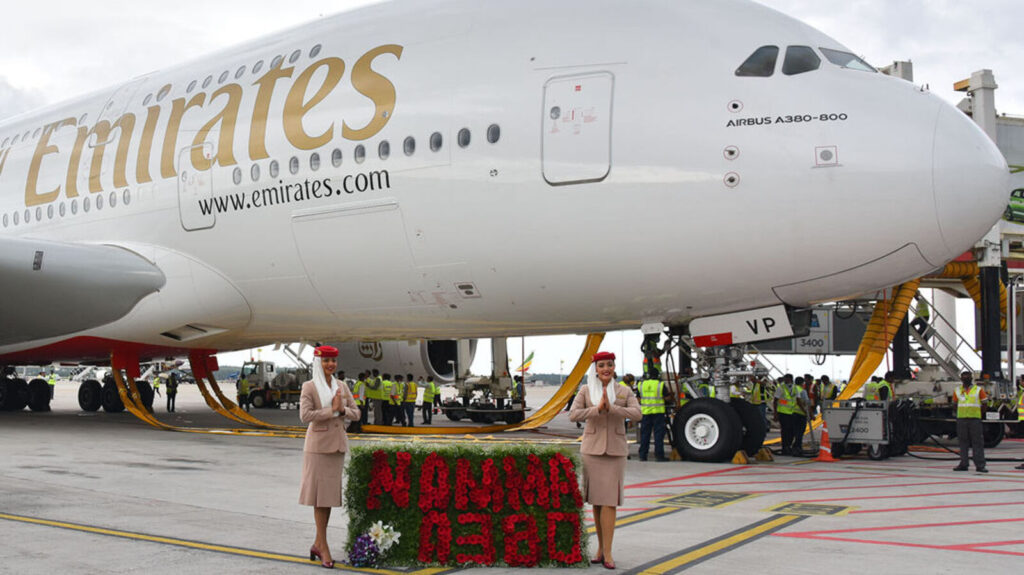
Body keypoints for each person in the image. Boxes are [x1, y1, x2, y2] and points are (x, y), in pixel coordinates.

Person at [569, 351, 641, 570]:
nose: (606, 369)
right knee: (597, 502)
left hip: (615, 452)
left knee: (609, 502)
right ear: (596, 369)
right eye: (601, 365)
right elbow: (573, 415)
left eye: (609, 365)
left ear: (614, 368)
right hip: (592, 451)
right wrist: (597, 409)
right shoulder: (586, 390)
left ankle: (608, 553)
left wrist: (614, 408)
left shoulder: (624, 390)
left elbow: (638, 414)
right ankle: (600, 549)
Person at [299, 345, 360, 568]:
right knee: (320, 499)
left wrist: (342, 411)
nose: (330, 364)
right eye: (325, 361)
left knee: (329, 499)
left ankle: (318, 542)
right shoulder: (310, 386)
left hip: (336, 448)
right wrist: (331, 410)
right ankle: (323, 547)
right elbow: (305, 416)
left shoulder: (341, 385)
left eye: (333, 360)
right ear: (318, 362)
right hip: (317, 448)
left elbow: (356, 412)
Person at [952, 371, 987, 473]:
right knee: (963, 442)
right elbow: (954, 404)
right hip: (962, 419)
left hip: (974, 419)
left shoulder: (978, 390)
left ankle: (980, 465)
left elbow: (984, 404)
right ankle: (964, 463)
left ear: (971, 378)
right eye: (964, 377)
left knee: (977, 443)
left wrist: (978, 413)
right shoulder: (957, 390)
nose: (965, 379)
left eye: (967, 377)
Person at [637, 368, 671, 462]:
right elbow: (667, 398)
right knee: (658, 435)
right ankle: (659, 456)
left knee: (645, 435)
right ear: (658, 375)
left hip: (646, 412)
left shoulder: (642, 384)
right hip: (658, 412)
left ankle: (643, 455)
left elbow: (638, 399)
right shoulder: (660, 385)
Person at [774, 374, 809, 456]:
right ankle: (785, 447)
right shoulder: (781, 388)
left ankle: (788, 446)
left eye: (786, 378)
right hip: (782, 413)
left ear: (790, 379)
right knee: (785, 431)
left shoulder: (795, 388)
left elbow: (798, 401)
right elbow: (775, 401)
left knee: (791, 431)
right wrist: (775, 413)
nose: (785, 380)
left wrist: (804, 411)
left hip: (792, 413)